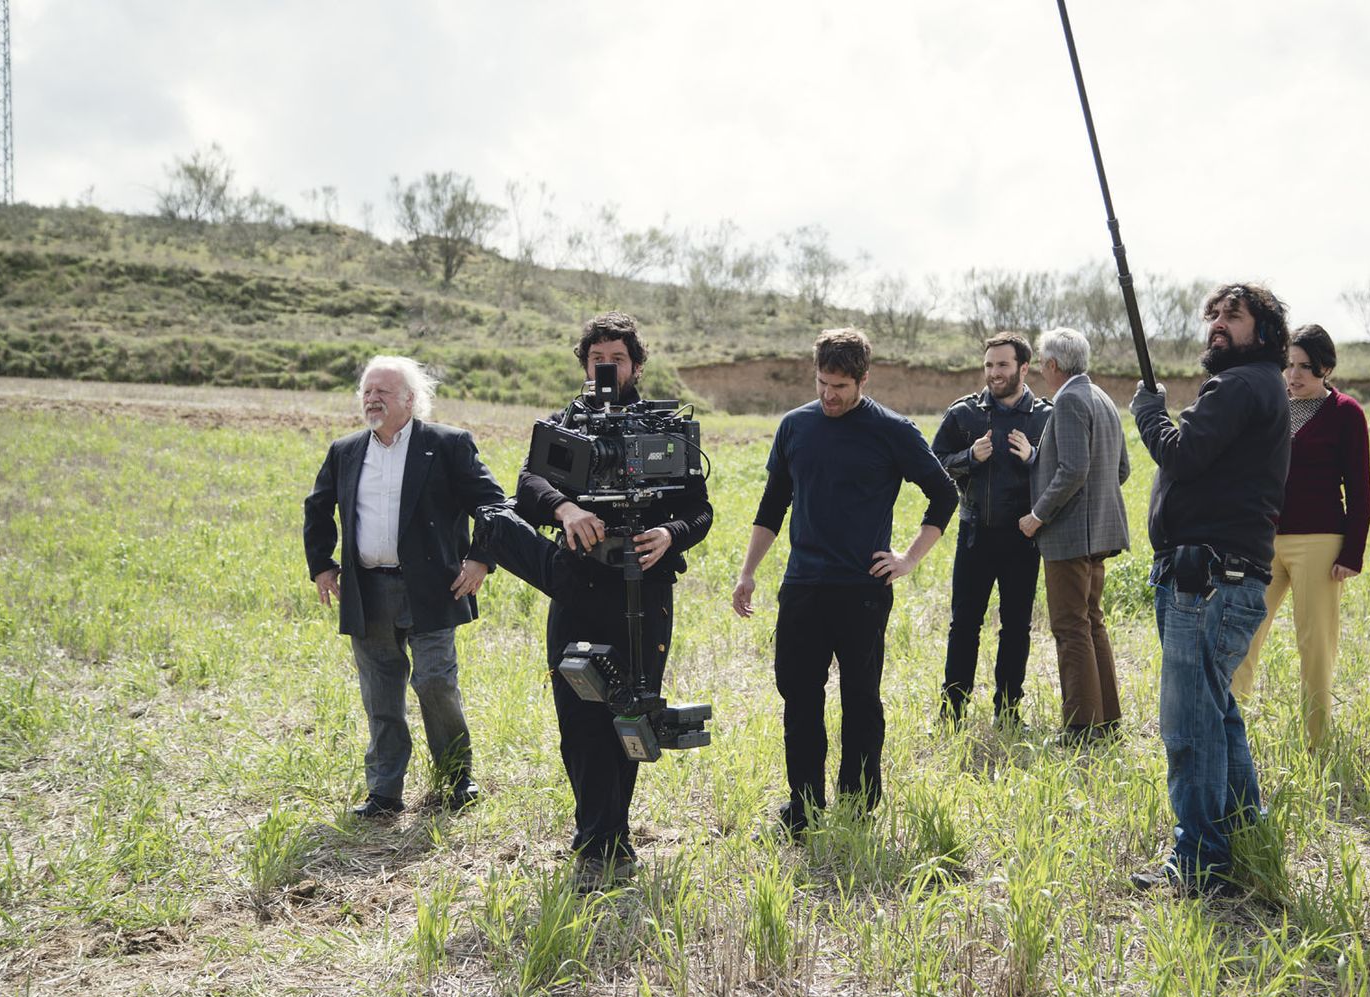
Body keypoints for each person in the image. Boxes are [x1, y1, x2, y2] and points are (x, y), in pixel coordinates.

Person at [512, 311, 713, 890]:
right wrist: (566, 508)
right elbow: (527, 486)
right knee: (579, 719)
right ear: (584, 365)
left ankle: (614, 842)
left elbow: (700, 511)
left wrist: (671, 534)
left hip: (645, 591)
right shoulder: (564, 428)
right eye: (596, 359)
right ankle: (592, 840)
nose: (606, 369)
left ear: (636, 365)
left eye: (616, 359)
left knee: (633, 713)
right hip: (578, 588)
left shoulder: (666, 427)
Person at [732, 328, 959, 837]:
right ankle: (804, 804)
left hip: (862, 590)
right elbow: (772, 505)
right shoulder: (795, 426)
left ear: (863, 379)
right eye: (821, 383)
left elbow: (944, 494)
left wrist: (908, 558)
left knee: (860, 698)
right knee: (800, 697)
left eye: (839, 385)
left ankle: (858, 804)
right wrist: (748, 572)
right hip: (803, 587)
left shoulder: (893, 430)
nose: (828, 395)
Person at [1128, 283, 1291, 897]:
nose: (1218, 323)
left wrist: (1148, 410)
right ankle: (1245, 826)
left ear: (1265, 333)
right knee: (1216, 713)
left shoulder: (1242, 384)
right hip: (1219, 576)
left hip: (1209, 582)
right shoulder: (1258, 386)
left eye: (1234, 315)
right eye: (1214, 314)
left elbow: (1181, 453)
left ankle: (1199, 863)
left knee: (1189, 727)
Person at [303, 355, 505, 819]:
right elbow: (317, 508)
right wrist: (322, 566)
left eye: (383, 392)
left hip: (434, 588)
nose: (372, 399)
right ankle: (384, 792)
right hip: (367, 590)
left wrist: (480, 559)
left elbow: (493, 504)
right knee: (380, 692)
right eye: (367, 392)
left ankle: (457, 781)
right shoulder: (346, 450)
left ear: (411, 400)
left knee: (435, 682)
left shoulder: (448, 444)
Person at [1231, 324, 1370, 747]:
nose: (1293, 376)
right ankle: (1228, 730)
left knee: (1315, 645)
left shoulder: (1346, 413)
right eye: (1289, 366)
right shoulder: (1273, 407)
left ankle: (1318, 740)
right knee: (1242, 635)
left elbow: (1360, 490)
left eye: (1305, 368)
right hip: (1263, 542)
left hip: (1321, 542)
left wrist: (1353, 552)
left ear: (1326, 368)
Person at [929, 332, 1051, 725]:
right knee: (964, 625)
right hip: (974, 536)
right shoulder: (963, 414)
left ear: (1023, 367)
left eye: (1002, 365)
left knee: (1016, 628)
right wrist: (969, 456)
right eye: (988, 365)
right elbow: (933, 464)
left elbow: (1063, 475)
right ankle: (952, 712)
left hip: (1024, 538)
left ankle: (1009, 712)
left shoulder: (1046, 417)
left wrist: (1034, 458)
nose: (993, 373)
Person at [1017, 328, 1131, 747]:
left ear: (1051, 365)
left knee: (1070, 627)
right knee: (1091, 622)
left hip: (1069, 536)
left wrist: (1036, 516)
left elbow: (1072, 470)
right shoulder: (1101, 397)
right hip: (1099, 532)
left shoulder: (1067, 400)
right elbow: (1121, 470)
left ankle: (1081, 727)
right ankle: (1107, 720)